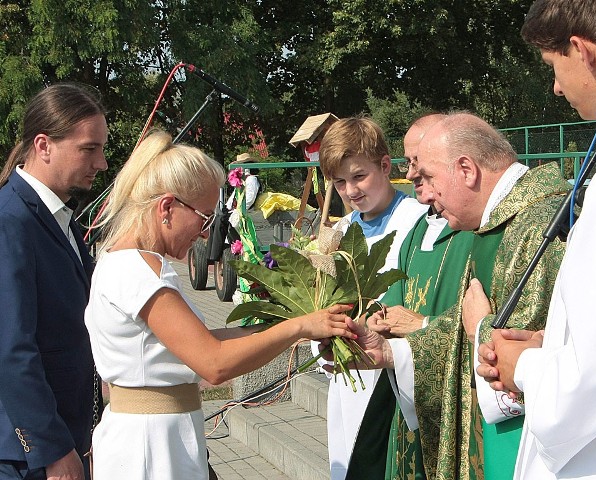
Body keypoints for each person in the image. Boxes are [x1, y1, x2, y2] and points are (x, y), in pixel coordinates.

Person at [84, 130, 355, 480]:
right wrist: (300, 327)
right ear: (167, 207)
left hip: (159, 438)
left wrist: (283, 322)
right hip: (149, 450)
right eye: (206, 218)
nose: (205, 233)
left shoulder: (130, 262)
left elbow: (202, 342)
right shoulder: (135, 270)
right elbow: (214, 363)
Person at [345, 112, 568, 480]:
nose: (426, 193)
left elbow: (522, 360)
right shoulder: (493, 224)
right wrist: (392, 352)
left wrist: (480, 328)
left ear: (467, 169)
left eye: (429, 177)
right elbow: (461, 326)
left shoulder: (537, 228)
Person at [474, 1, 596, 478]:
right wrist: (558, 344)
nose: (555, 86)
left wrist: (523, 365)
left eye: (554, 66)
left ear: (583, 52)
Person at [342, 114, 475, 480]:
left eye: (420, 164)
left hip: (451, 394)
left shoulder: (470, 229)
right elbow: (389, 309)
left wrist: (422, 326)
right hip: (402, 384)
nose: (413, 173)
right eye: (410, 162)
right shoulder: (418, 232)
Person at [0, 83, 108, 480]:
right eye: (88, 148)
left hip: (66, 435)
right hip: (26, 457)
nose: (101, 163)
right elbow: (11, 349)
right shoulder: (10, 221)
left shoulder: (58, 218)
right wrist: (52, 448)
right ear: (44, 145)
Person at [315, 116, 430, 480]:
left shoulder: (419, 221)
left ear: (385, 166)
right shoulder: (343, 230)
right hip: (350, 376)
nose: (350, 191)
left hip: (393, 376)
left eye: (359, 176)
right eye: (340, 182)